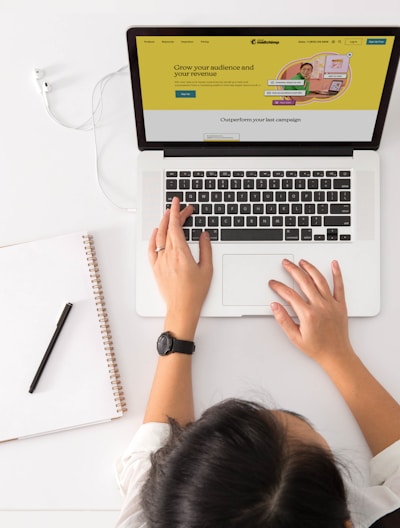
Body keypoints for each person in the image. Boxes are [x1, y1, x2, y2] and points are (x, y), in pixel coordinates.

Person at [115, 197, 400, 527]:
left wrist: (180, 311)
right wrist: (337, 354)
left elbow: (152, 456)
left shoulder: (154, 516)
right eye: (323, 453)